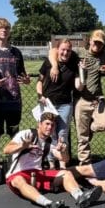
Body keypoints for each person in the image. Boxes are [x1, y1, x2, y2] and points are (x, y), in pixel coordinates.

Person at [3, 112, 103, 208]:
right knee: (18, 180)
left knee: (66, 173)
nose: (50, 127)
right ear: (39, 124)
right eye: (47, 124)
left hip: (37, 174)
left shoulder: (50, 142)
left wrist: (63, 150)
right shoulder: (27, 134)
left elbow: (64, 159)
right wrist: (23, 146)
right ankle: (49, 204)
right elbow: (6, 150)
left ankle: (80, 197)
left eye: (52, 125)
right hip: (18, 174)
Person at [0, 18, 31, 184]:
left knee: (15, 137)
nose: (4, 31)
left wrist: (26, 81)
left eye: (7, 28)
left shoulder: (16, 52)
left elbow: (23, 75)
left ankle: (13, 168)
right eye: (0, 28)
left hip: (13, 102)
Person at [68, 29, 105, 165]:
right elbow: (56, 51)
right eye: (95, 42)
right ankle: (84, 164)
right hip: (81, 99)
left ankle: (90, 127)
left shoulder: (103, 56)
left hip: (98, 99)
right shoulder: (79, 53)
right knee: (82, 138)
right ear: (90, 40)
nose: (97, 45)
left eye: (100, 43)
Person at [36, 39, 78, 169]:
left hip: (65, 104)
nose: (65, 52)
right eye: (63, 49)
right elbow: (39, 81)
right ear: (58, 50)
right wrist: (40, 95)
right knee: (49, 133)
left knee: (62, 134)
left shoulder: (74, 62)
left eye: (68, 50)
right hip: (48, 104)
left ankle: (63, 165)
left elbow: (78, 83)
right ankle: (51, 164)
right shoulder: (49, 62)